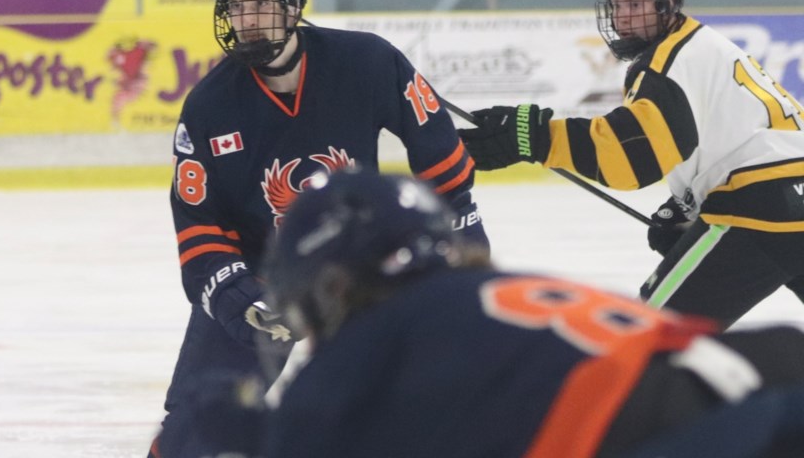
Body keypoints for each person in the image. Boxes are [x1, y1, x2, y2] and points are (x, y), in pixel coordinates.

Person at [147, 0, 486, 457]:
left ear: (292, 5)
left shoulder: (366, 61)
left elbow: (438, 151)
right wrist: (239, 298)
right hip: (264, 275)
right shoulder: (210, 105)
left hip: (364, 269)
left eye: (260, 3)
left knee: (432, 405)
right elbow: (198, 221)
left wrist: (458, 239)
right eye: (237, 7)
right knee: (192, 430)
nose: (248, 20)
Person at [262, 168, 804, 458]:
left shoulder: (375, 341)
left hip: (697, 433)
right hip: (771, 369)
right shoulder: (489, 290)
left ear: (334, 285)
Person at [457, 0, 804, 329]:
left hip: (760, 207)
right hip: (787, 197)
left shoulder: (665, 64)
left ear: (669, 2)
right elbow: (740, 137)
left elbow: (632, 156)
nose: (623, 17)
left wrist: (536, 138)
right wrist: (687, 208)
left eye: (636, 4)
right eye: (618, 5)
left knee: (649, 336)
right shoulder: (704, 47)